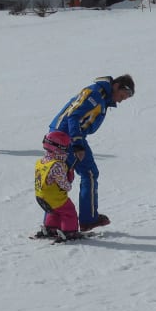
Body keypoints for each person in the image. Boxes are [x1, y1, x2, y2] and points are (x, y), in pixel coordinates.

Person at [48, 74, 134, 231]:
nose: (120, 101)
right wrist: (78, 144)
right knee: (89, 173)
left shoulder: (100, 95)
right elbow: (73, 116)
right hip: (67, 136)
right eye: (121, 96)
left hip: (63, 134)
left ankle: (53, 222)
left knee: (60, 175)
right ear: (116, 85)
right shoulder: (95, 94)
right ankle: (88, 219)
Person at [34, 130, 80, 241]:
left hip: (40, 197)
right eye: (65, 148)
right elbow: (65, 186)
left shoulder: (41, 162)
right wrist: (70, 177)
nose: (67, 151)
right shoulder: (57, 166)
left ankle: (51, 228)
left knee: (54, 211)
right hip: (55, 197)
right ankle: (69, 231)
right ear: (58, 149)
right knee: (68, 211)